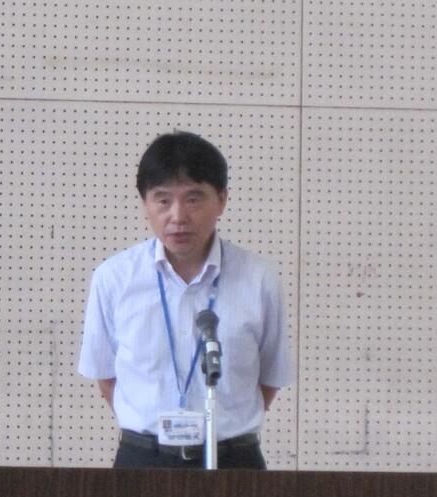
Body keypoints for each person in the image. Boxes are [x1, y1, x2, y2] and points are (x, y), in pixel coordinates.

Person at [78, 131, 292, 469]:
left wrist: (223, 433)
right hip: (143, 460)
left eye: (193, 199)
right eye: (163, 200)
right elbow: (106, 377)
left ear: (221, 200)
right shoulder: (114, 278)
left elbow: (269, 378)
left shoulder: (259, 279)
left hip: (235, 461)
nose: (178, 216)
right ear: (145, 204)